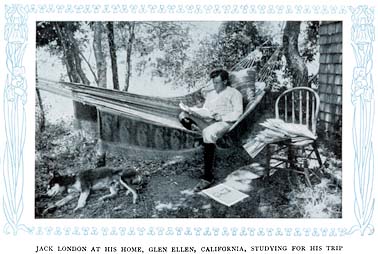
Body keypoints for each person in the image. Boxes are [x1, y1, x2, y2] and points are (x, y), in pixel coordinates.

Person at [178, 69, 243, 192]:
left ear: (225, 81)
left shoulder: (234, 93)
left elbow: (238, 113)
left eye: (217, 82)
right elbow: (206, 110)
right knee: (183, 115)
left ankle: (208, 177)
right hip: (209, 120)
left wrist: (222, 117)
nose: (215, 85)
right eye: (213, 82)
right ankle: (200, 133)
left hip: (225, 122)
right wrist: (192, 110)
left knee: (208, 133)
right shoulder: (211, 94)